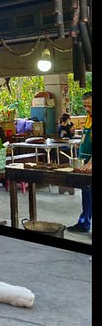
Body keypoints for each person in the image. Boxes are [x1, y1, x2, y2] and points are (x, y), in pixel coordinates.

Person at [68, 91, 92, 233]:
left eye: (90, 106)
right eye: (85, 106)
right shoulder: (89, 119)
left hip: (90, 165)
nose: (87, 109)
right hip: (85, 165)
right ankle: (84, 223)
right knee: (86, 195)